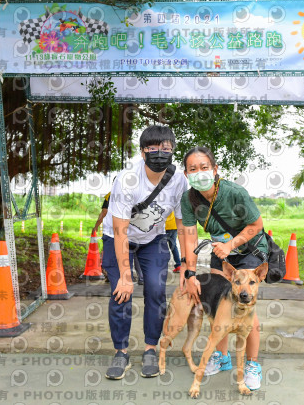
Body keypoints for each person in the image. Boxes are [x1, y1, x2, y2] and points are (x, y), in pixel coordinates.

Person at [101, 125, 187, 380]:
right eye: (153, 149)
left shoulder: (179, 180)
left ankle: (151, 348)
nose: (160, 153)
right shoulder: (127, 180)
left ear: (172, 152)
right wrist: (126, 276)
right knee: (121, 293)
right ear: (142, 152)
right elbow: (120, 232)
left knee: (156, 290)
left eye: (166, 149)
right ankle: (121, 352)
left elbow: (183, 225)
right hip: (118, 238)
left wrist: (188, 266)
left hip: (153, 239)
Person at [179, 146, 267, 390]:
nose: (199, 173)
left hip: (248, 249)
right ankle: (222, 357)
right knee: (220, 306)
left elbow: (256, 225)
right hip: (221, 252)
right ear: (186, 174)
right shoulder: (189, 199)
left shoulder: (234, 193)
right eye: (193, 169)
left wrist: (231, 245)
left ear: (215, 169)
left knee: (246, 305)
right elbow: (189, 236)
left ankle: (252, 365)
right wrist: (190, 273)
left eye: (204, 167)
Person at [93, 187, 143, 284]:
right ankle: (140, 277)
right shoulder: (135, 194)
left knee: (114, 256)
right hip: (132, 231)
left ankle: (115, 278)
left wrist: (96, 226)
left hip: (113, 232)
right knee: (135, 255)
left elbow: (104, 212)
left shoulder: (110, 195)